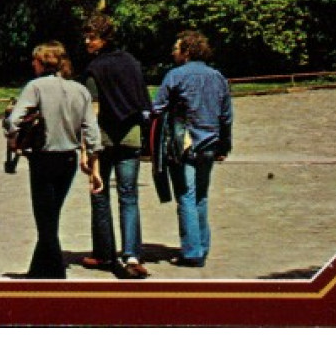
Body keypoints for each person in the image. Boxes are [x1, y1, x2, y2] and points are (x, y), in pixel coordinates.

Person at [5, 41, 103, 279]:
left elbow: (13, 120)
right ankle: (38, 271)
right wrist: (94, 164)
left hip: (43, 158)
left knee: (45, 219)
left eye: (34, 61)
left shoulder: (35, 87)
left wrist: (12, 136)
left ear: (41, 62)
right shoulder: (79, 90)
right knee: (51, 215)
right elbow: (91, 130)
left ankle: (57, 273)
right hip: (68, 159)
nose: (32, 65)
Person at [152, 30, 233, 269]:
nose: (173, 52)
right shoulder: (218, 77)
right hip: (210, 143)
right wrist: (224, 145)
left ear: (187, 51)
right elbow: (226, 116)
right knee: (201, 195)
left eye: (177, 48)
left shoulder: (175, 76)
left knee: (185, 196)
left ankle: (191, 252)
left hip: (184, 143)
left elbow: (157, 107)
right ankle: (202, 245)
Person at [81, 14, 153, 279]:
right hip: (131, 135)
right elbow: (143, 100)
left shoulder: (94, 69)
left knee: (99, 193)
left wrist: (89, 148)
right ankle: (132, 253)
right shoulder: (131, 63)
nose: (87, 41)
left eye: (91, 36)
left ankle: (104, 252)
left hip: (105, 137)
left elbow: (93, 110)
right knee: (129, 196)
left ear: (104, 38)